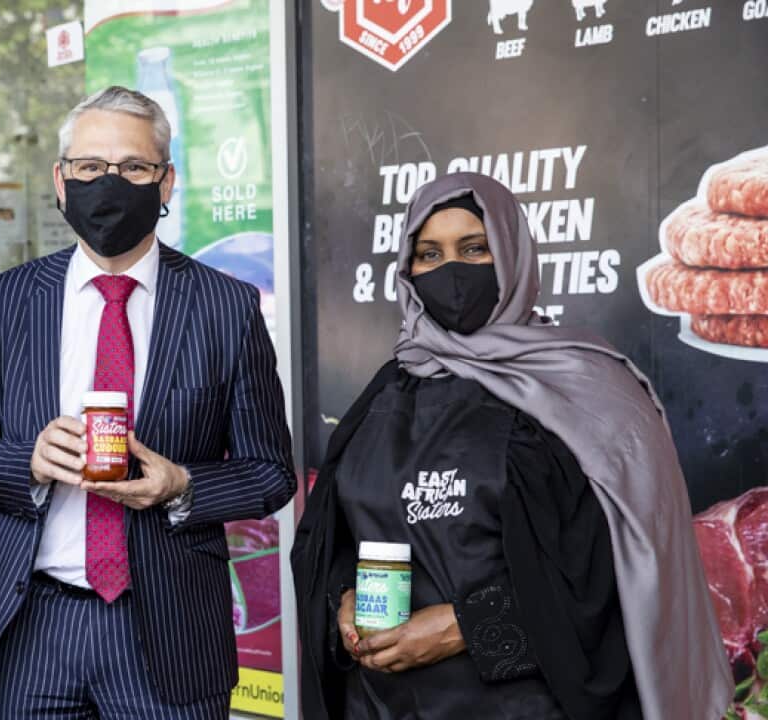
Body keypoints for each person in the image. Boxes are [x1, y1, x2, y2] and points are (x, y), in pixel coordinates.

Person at [291, 173, 732, 719]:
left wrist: (465, 627)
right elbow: (334, 537)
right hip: (381, 705)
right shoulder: (385, 392)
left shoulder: (582, 388)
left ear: (511, 254)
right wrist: (343, 598)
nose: (451, 271)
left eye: (474, 248)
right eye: (430, 254)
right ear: (407, 270)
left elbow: (606, 577)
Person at [0, 86, 296, 719]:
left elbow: (271, 473)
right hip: (33, 627)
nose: (109, 183)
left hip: (170, 633)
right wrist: (29, 461)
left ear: (166, 182)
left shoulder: (226, 307)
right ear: (60, 180)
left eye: (133, 167)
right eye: (90, 166)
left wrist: (182, 485)